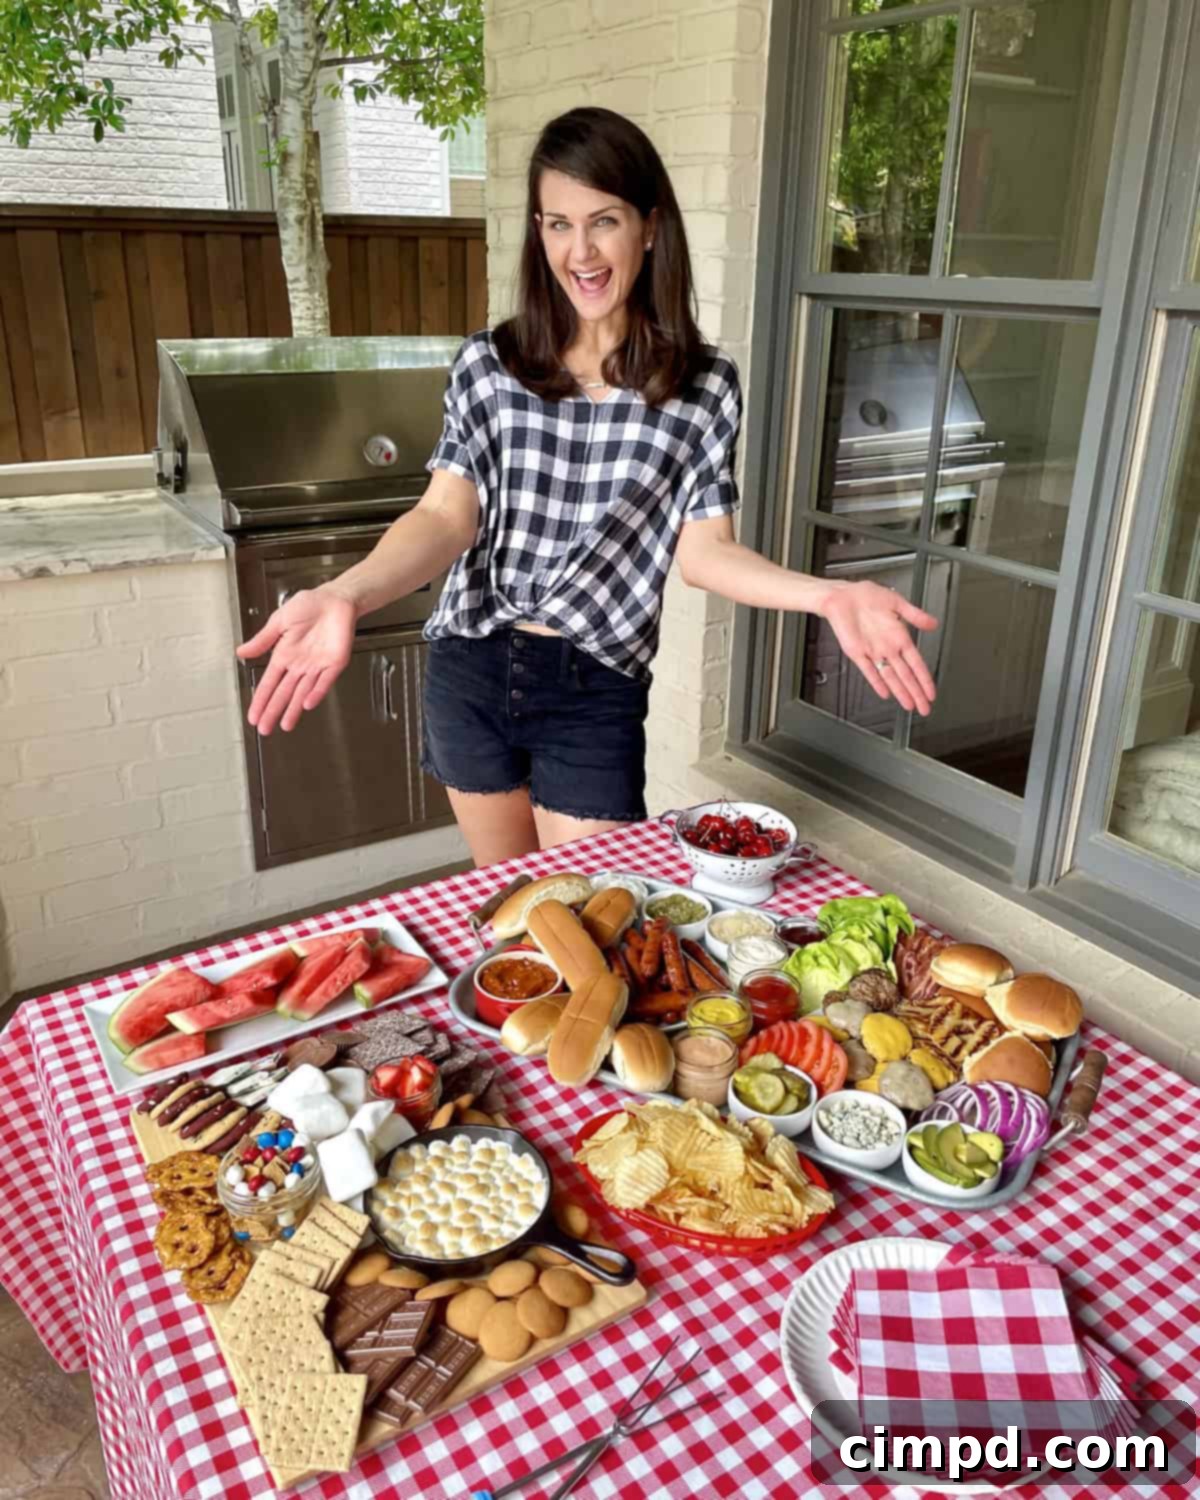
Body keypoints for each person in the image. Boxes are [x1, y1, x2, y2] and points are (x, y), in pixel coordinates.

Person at [238, 107, 938, 868]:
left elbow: (707, 554)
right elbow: (444, 516)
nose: (581, 251)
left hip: (593, 684)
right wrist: (347, 592)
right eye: (556, 224)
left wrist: (826, 596)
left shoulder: (702, 386)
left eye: (603, 221)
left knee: (590, 920)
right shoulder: (490, 363)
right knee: (513, 913)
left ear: (650, 227)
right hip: (472, 665)